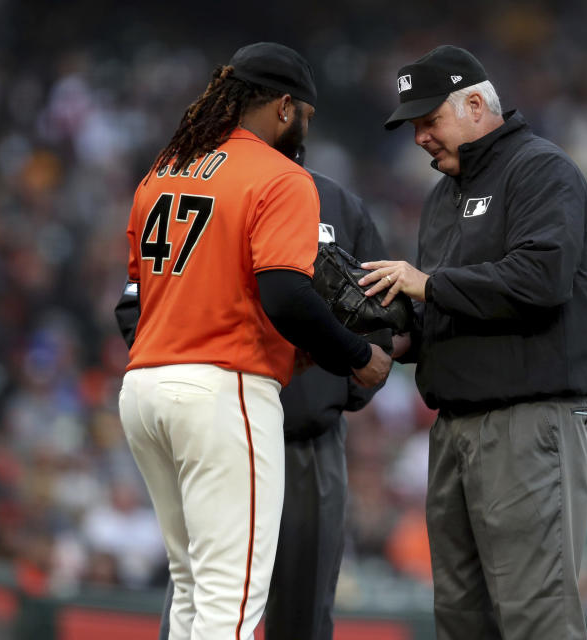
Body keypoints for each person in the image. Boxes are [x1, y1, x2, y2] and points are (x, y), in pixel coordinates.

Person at [117, 42, 390, 640]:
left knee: (189, 585)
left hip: (145, 390)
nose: (304, 133)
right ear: (284, 107)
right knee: (230, 600)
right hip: (223, 388)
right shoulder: (280, 176)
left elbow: (133, 299)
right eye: (306, 118)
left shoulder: (163, 171)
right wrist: (356, 355)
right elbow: (287, 297)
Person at [360, 45, 587, 639]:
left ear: (475, 104)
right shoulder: (443, 197)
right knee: (462, 620)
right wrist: (395, 334)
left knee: (535, 618)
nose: (418, 137)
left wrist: (429, 284)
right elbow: (446, 305)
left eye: (428, 120)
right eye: (412, 125)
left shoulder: (541, 169)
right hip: (454, 429)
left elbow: (541, 278)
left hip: (526, 421)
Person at [153, 155, 391, 640]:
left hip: (306, 441)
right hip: (221, 433)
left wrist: (327, 389)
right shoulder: (203, 192)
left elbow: (381, 333)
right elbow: (136, 307)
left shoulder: (339, 205)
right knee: (205, 602)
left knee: (301, 613)